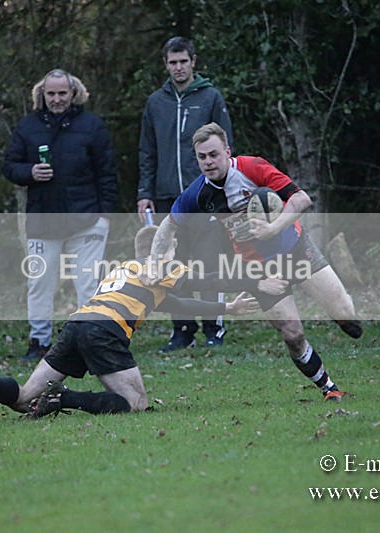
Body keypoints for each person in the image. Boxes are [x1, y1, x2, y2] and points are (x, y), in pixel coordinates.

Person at [0, 225, 286, 417]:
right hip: (104, 332)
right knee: (135, 405)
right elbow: (208, 280)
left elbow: (176, 302)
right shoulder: (160, 266)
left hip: (76, 325)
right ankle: (63, 398)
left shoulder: (126, 269)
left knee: (24, 399)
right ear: (164, 248)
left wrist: (229, 310)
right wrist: (255, 282)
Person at [149, 122, 363, 402]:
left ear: (227, 151)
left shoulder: (252, 168)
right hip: (259, 268)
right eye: (202, 157)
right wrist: (154, 261)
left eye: (213, 154)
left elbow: (301, 199)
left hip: (296, 249)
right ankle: (329, 388)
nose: (208, 162)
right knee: (292, 333)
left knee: (348, 319)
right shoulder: (198, 194)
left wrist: (273, 228)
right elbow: (168, 226)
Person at [2, 69, 119, 362]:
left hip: (87, 220)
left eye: (62, 93)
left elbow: (108, 174)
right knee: (40, 282)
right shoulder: (27, 126)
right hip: (43, 221)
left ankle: (89, 341)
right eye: (51, 94)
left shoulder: (92, 126)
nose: (56, 99)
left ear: (73, 93)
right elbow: (9, 165)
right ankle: (39, 341)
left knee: (88, 283)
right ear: (42, 94)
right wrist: (29, 172)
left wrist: (105, 217)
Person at [137, 36, 236, 352]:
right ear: (165, 64)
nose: (178, 67)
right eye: (172, 62)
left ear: (193, 61)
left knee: (209, 265)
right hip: (167, 197)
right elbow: (147, 151)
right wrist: (145, 192)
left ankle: (214, 329)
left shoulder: (210, 97)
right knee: (172, 266)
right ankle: (182, 331)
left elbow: (226, 149)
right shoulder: (156, 102)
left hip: (205, 196)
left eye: (183, 61)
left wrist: (227, 192)